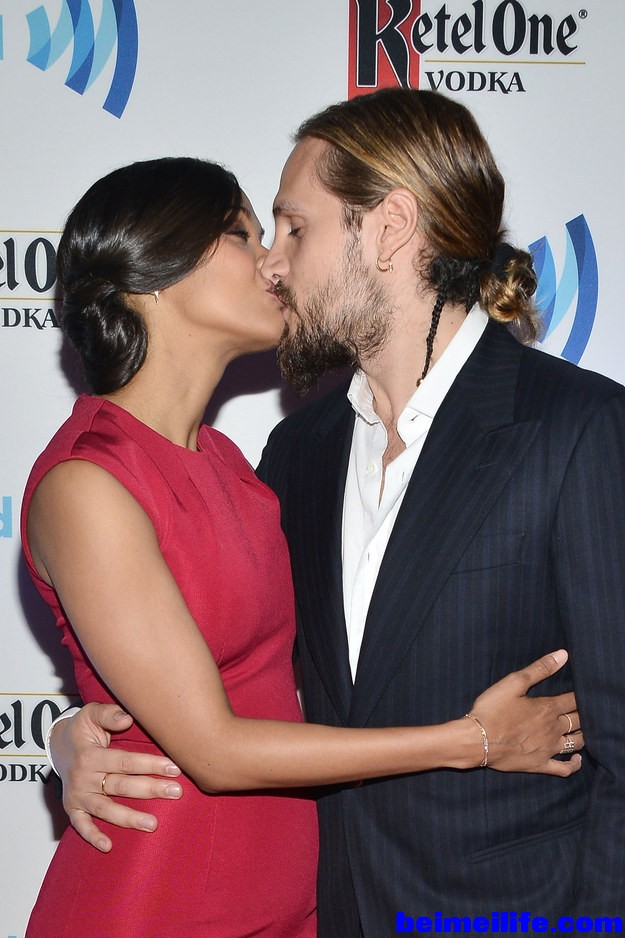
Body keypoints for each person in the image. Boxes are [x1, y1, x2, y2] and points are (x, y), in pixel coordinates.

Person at [21, 154, 581, 938]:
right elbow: (213, 750)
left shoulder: (239, 464)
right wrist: (473, 740)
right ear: (154, 271)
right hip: (160, 902)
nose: (272, 262)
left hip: (294, 903)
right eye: (243, 235)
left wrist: (64, 736)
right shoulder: (88, 481)